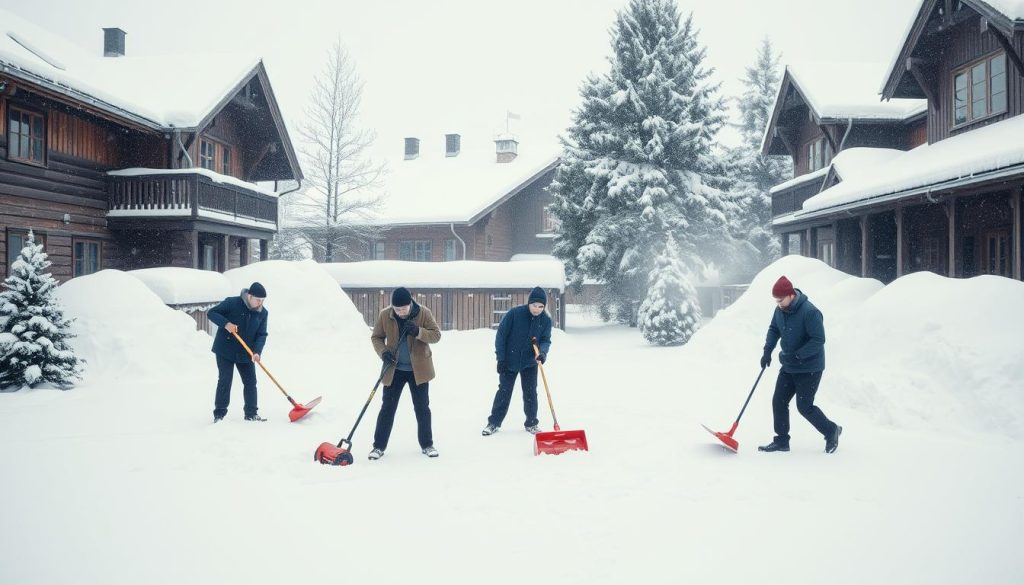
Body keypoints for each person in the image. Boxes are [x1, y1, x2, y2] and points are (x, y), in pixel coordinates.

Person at [759, 276, 842, 453]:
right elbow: (774, 329)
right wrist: (767, 351)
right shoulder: (779, 310)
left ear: (790, 295)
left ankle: (832, 430)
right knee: (778, 401)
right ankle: (782, 441)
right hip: (789, 365)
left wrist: (798, 356)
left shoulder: (810, 312)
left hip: (810, 367)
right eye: (776, 300)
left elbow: (818, 340)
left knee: (804, 407)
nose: (778, 303)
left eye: (780, 300)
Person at [368, 287, 442, 460]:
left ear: (410, 303)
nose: (400, 312)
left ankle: (427, 444)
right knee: (387, 409)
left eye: (404, 308)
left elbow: (436, 335)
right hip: (394, 370)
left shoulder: (423, 313)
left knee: (422, 408)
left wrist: (418, 332)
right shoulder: (385, 315)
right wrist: (383, 352)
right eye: (397, 309)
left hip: (419, 371)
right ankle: (378, 447)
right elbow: (376, 337)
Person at [482, 286, 552, 436]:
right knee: (504, 392)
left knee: (531, 393)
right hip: (509, 360)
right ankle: (493, 423)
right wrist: (500, 359)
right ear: (529, 303)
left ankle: (532, 423)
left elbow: (545, 340)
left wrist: (543, 353)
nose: (537, 309)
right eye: (534, 305)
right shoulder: (515, 314)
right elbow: (501, 336)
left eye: (541, 306)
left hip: (530, 362)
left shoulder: (545, 320)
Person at [208, 282, 269, 422]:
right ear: (249, 296)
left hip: (245, 352)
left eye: (262, 301)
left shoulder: (263, 313)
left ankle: (251, 413)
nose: (260, 303)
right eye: (258, 300)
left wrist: (257, 352)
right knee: (225, 380)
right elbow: (211, 313)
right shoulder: (232, 302)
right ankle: (219, 415)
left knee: (250, 382)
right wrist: (226, 324)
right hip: (225, 349)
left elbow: (261, 334)